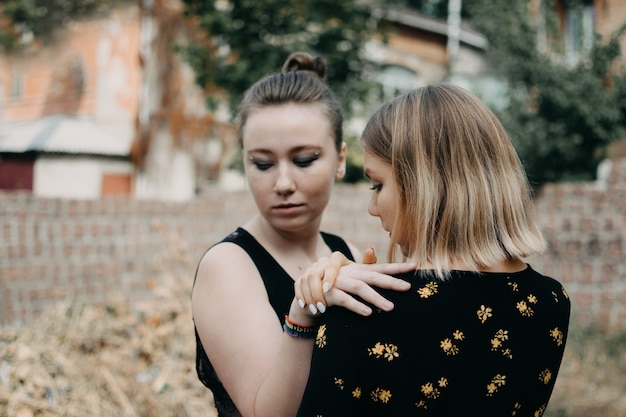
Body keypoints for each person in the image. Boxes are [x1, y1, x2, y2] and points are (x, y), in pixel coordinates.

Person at [293, 84, 571, 416]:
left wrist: (308, 316)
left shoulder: (363, 314)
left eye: (377, 185)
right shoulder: (551, 302)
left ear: (424, 185)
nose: (372, 206)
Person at [191, 52, 416, 417]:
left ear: (341, 160)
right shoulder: (228, 266)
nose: (282, 183)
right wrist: (302, 315)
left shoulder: (348, 253)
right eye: (262, 163)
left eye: (304, 160)